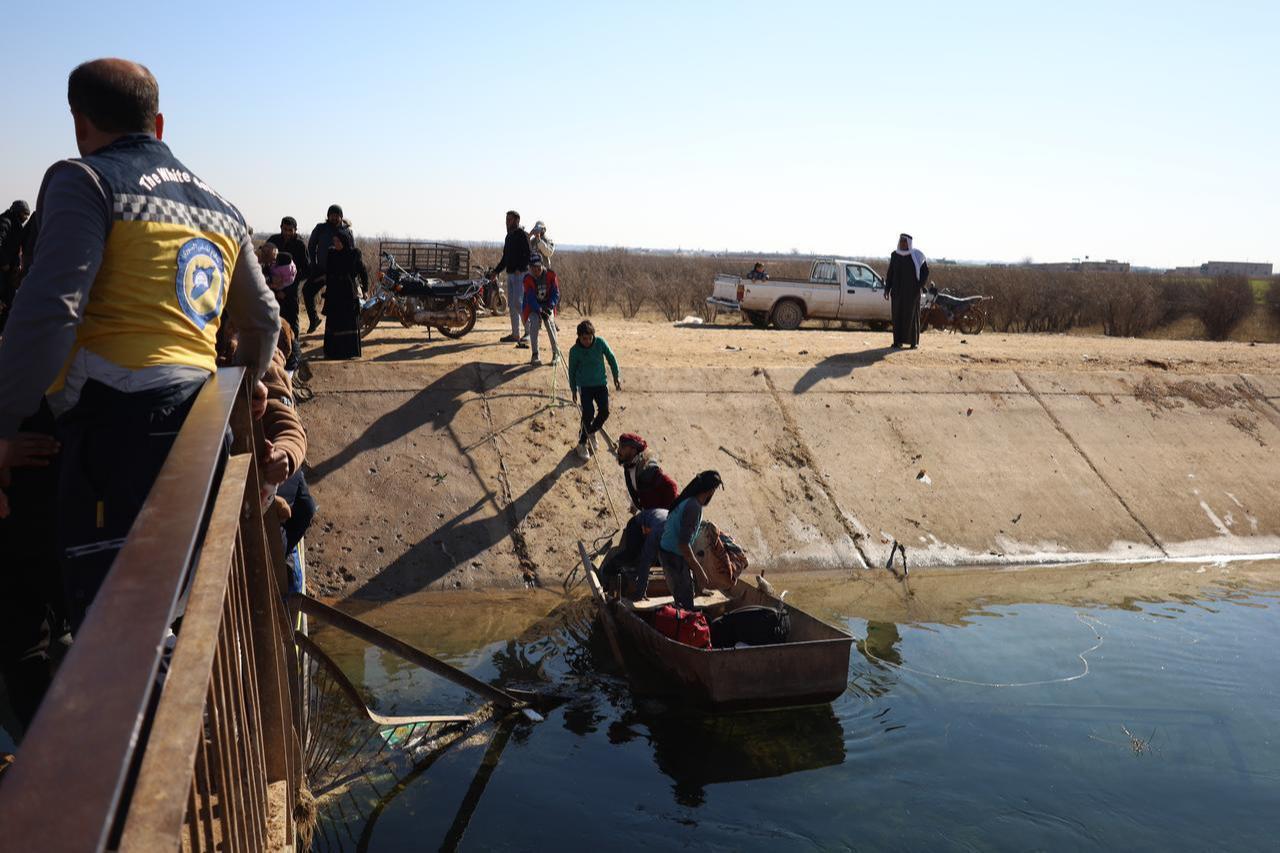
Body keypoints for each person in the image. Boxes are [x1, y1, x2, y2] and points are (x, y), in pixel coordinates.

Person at [0, 58, 279, 630]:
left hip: (115, 433)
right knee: (172, 612)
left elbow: (51, 311)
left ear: (80, 123)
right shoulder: (222, 209)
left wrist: (2, 423)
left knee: (115, 624)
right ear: (159, 123)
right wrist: (249, 384)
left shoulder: (86, 180)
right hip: (203, 428)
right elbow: (264, 319)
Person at [658, 471, 723, 610]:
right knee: (685, 603)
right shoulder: (694, 507)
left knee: (686, 593)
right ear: (711, 490)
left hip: (669, 551)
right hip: (672, 555)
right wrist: (700, 572)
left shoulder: (688, 500)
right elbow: (683, 544)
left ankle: (689, 603)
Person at [567, 319, 620, 460]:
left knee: (604, 412)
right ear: (579, 337)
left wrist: (616, 376)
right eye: (584, 338)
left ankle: (590, 432)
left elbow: (611, 358)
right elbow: (571, 371)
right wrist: (573, 389)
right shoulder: (574, 351)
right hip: (584, 386)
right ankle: (581, 444)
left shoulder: (600, 343)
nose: (587, 341)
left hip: (600, 384)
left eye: (590, 338)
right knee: (588, 413)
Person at [599, 507, 668, 601]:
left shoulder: (679, 534)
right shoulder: (658, 531)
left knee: (652, 560)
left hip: (652, 527)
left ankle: (634, 580)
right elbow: (646, 561)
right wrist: (640, 593)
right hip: (636, 525)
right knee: (632, 554)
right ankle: (607, 570)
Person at [322, 228, 366, 359]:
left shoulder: (354, 254)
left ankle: (348, 352)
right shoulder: (331, 253)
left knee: (348, 322)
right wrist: (327, 289)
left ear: (344, 241)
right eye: (334, 241)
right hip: (334, 292)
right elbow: (328, 272)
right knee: (334, 322)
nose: (335, 243)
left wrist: (365, 289)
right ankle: (333, 352)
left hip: (348, 293)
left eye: (338, 241)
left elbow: (362, 271)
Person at [490, 210, 531, 345]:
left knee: (519, 303)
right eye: (506, 219)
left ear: (517, 221)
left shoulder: (522, 235)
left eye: (510, 219)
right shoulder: (508, 237)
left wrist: (520, 268)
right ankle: (515, 334)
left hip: (520, 274)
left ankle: (529, 331)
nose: (507, 222)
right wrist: (496, 271)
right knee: (512, 305)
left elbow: (528, 254)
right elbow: (505, 258)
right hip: (510, 274)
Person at [305, 204, 346, 333]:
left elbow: (350, 252)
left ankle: (338, 328)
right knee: (307, 291)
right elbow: (311, 247)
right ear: (328, 216)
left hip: (338, 273)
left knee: (337, 300)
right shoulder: (320, 228)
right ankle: (314, 319)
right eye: (331, 215)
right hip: (321, 269)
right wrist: (313, 264)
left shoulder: (346, 231)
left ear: (341, 217)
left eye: (337, 215)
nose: (334, 218)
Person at [885, 232, 929, 349]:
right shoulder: (895, 255)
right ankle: (897, 342)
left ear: (909, 243)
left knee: (911, 316)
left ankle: (913, 342)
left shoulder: (917, 255)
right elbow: (890, 273)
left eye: (905, 241)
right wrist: (887, 289)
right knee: (897, 316)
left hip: (912, 293)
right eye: (901, 241)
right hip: (897, 292)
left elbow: (925, 272)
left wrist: (919, 286)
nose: (903, 243)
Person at [267, 216, 309, 338]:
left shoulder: (300, 245)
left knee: (291, 321)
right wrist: (274, 285)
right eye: (284, 229)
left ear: (295, 230)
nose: (287, 233)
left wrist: (288, 288)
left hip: (291, 290)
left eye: (290, 230)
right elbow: (264, 262)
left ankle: (294, 348)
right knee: (272, 319)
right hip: (272, 288)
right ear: (281, 227)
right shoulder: (273, 240)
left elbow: (307, 270)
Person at [615, 432, 678, 511]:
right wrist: (635, 505)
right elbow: (635, 487)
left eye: (623, 448)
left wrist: (663, 513)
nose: (618, 450)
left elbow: (671, 486)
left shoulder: (647, 469)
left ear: (633, 450)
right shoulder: (628, 464)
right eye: (619, 446)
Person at [521, 252, 560, 366]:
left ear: (542, 266)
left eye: (538, 268)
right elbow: (530, 298)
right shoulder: (528, 279)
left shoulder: (550, 275)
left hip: (547, 305)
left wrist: (550, 306)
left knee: (549, 323)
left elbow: (555, 293)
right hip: (534, 307)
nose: (536, 271)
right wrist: (539, 310)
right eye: (533, 268)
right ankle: (535, 354)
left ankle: (556, 353)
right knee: (534, 322)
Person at [0, 200, 30, 324]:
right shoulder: (5, 222)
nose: (26, 218)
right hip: (2, 270)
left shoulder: (17, 226)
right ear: (18, 212)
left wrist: (16, 265)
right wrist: (3, 262)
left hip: (9, 272)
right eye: (25, 214)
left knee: (8, 303)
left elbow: (15, 249)